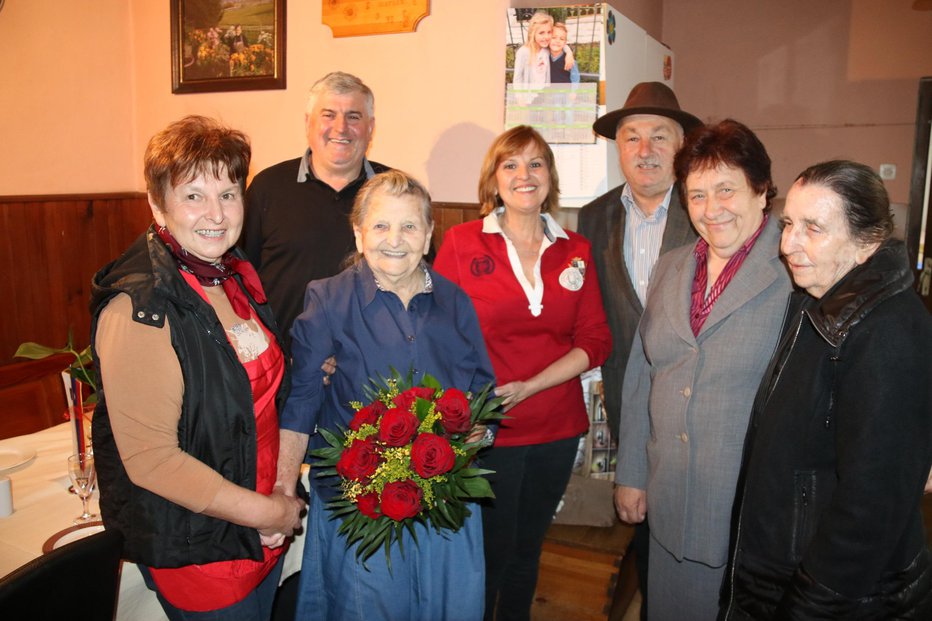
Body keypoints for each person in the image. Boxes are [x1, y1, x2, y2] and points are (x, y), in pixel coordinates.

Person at [90, 115, 305, 620]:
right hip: (202, 548)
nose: (216, 213)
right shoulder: (140, 306)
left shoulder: (232, 274)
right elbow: (153, 461)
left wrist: (281, 491)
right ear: (156, 204)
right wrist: (270, 512)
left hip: (260, 527)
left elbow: (268, 399)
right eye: (193, 196)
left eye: (229, 193)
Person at [276, 170, 496, 620]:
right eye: (380, 226)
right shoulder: (328, 300)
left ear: (429, 234)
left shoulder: (456, 302)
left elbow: (481, 394)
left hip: (444, 503)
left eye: (410, 226)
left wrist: (475, 438)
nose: (394, 239)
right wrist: (282, 486)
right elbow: (301, 403)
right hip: (362, 506)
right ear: (358, 234)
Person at [720, 160, 932, 620]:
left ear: (866, 243)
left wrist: (809, 607)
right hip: (779, 573)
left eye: (813, 228)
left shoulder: (890, 330)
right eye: (789, 224)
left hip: (836, 598)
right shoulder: (814, 299)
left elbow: (870, 510)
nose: (787, 244)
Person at [615, 119, 792, 620]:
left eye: (726, 190)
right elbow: (640, 374)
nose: (711, 210)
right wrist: (631, 474)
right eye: (696, 195)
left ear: (761, 190)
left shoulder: (795, 269)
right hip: (670, 500)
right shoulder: (671, 267)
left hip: (748, 511)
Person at [434, 125, 611, 621]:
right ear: (494, 179)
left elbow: (595, 339)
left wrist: (532, 386)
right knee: (490, 551)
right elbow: (439, 334)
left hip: (557, 426)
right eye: (510, 164)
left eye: (536, 164)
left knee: (528, 550)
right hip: (488, 428)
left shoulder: (576, 248)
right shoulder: (461, 243)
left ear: (551, 178)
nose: (524, 175)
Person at [577, 81, 701, 617]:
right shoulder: (593, 216)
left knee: (698, 528)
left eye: (659, 136)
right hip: (628, 403)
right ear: (618, 147)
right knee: (644, 521)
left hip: (697, 404)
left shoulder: (707, 211)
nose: (644, 150)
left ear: (682, 146)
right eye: (631, 137)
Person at [242, 71, 389, 352]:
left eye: (353, 116)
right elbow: (240, 276)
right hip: (284, 363)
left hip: (371, 366)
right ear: (308, 123)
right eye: (329, 115)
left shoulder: (396, 192)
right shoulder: (268, 187)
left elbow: (421, 280)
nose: (341, 127)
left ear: (370, 127)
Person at [512, 11, 574, 86]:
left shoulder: (546, 48)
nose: (546, 37)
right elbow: (517, 78)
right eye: (541, 33)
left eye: (549, 32)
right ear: (533, 33)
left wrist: (569, 53)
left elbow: (560, 44)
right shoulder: (523, 52)